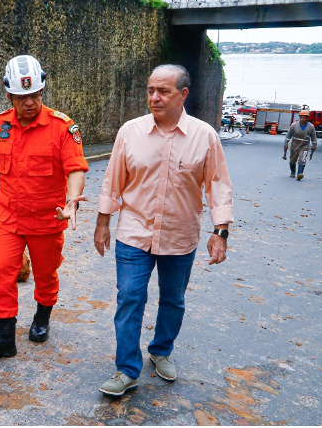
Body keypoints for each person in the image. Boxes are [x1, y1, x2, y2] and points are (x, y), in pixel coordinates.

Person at [94, 64, 233, 396]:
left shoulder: (204, 136)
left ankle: (160, 350)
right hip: (134, 233)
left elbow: (218, 186)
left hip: (180, 236)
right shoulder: (130, 132)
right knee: (129, 298)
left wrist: (220, 232)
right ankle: (127, 370)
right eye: (150, 91)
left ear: (183, 94)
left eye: (163, 91)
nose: (154, 98)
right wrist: (102, 223)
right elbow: (113, 180)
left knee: (173, 300)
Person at [0, 55, 89, 359]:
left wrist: (72, 201)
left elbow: (75, 168)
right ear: (8, 95)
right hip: (8, 216)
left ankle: (42, 316)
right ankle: (5, 335)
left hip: (47, 218)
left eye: (35, 95)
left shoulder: (62, 127)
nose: (30, 102)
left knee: (46, 274)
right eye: (22, 97)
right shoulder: (0, 125)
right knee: (1, 270)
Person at [283, 110, 317, 180]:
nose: (302, 119)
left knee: (302, 159)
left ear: (307, 118)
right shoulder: (294, 125)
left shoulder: (311, 127)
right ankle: (293, 172)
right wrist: (286, 144)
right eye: (301, 117)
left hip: (305, 146)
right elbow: (288, 135)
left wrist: (314, 145)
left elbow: (313, 137)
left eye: (304, 118)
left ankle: (299, 173)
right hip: (295, 145)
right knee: (292, 160)